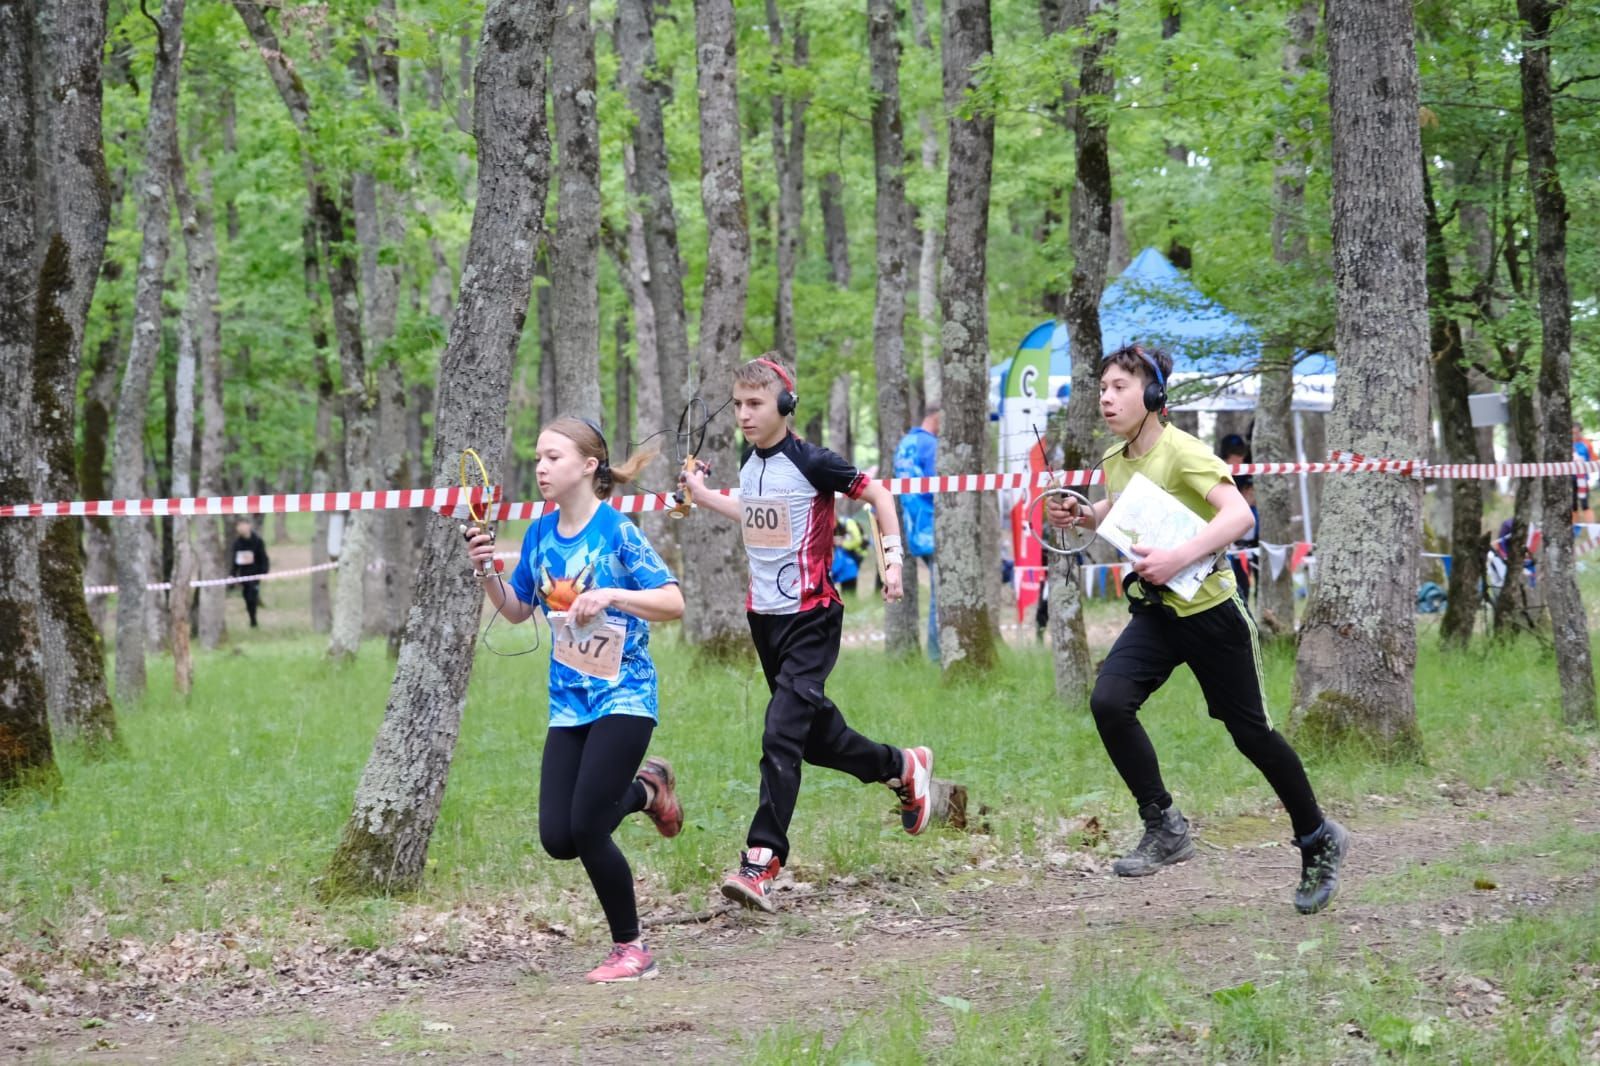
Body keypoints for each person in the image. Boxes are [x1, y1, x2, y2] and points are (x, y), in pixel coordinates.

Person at [1046, 344, 1348, 915]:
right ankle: (1164, 825)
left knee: (1251, 734)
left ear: (1154, 397)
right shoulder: (1116, 456)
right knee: (1110, 701)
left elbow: (1239, 517)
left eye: (1120, 387)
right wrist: (1085, 513)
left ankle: (1318, 837)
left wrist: (1178, 555)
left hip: (1212, 614)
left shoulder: (1184, 451)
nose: (1106, 398)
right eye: (1103, 388)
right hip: (1159, 613)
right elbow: (1128, 506)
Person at [682, 356, 935, 913]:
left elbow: (880, 497)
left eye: (756, 404)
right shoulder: (751, 461)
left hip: (812, 618)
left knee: (779, 734)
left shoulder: (813, 461)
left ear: (785, 405)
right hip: (764, 620)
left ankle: (760, 861)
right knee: (817, 739)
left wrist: (893, 565)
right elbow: (752, 512)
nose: (744, 415)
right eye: (739, 404)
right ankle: (901, 767)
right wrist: (701, 496)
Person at [464, 416, 686, 983]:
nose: (541, 467)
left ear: (588, 467)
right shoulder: (539, 534)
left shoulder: (617, 533)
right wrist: (487, 572)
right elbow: (517, 610)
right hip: (569, 702)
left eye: (554, 457)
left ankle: (632, 949)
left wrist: (611, 594)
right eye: (538, 457)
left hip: (625, 695)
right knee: (558, 838)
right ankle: (647, 790)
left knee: (588, 827)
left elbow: (672, 601)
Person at [893, 404, 941, 660]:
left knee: (937, 591)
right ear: (937, 417)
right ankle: (937, 655)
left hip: (914, 528)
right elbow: (939, 485)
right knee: (940, 594)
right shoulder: (929, 445)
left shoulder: (905, 444)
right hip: (933, 525)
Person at [229, 519, 270, 628]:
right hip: (243, 574)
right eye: (239, 526)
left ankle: (254, 620)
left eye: (243, 525)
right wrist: (232, 575)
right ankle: (252, 618)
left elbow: (263, 558)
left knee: (252, 595)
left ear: (249, 526)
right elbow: (235, 561)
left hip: (255, 574)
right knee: (247, 597)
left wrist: (264, 571)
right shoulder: (237, 544)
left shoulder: (257, 541)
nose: (241, 528)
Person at [832, 513, 865, 593]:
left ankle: (851, 598)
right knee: (846, 577)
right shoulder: (837, 527)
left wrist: (842, 543)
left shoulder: (848, 523)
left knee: (850, 578)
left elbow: (858, 540)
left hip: (856, 555)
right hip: (847, 558)